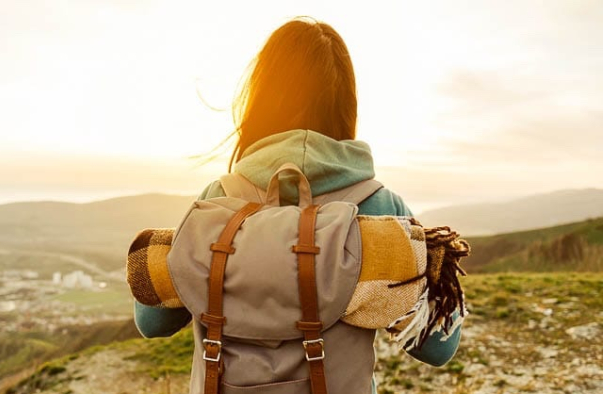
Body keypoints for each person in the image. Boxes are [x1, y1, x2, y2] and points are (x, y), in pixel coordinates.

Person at [134, 17, 462, 393]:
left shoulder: (217, 200)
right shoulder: (379, 205)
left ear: (260, 100)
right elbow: (439, 346)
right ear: (345, 105)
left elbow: (150, 321)